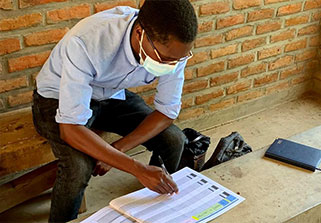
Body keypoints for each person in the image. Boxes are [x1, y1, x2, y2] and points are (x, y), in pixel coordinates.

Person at [32, 0, 198, 222]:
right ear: (140, 33)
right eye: (165, 59)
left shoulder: (173, 50)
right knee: (78, 167)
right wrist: (137, 168)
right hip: (55, 97)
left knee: (174, 139)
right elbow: (70, 130)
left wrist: (117, 150)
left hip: (110, 93)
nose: (171, 66)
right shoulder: (88, 40)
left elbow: (167, 112)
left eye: (177, 60)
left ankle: (155, 207)